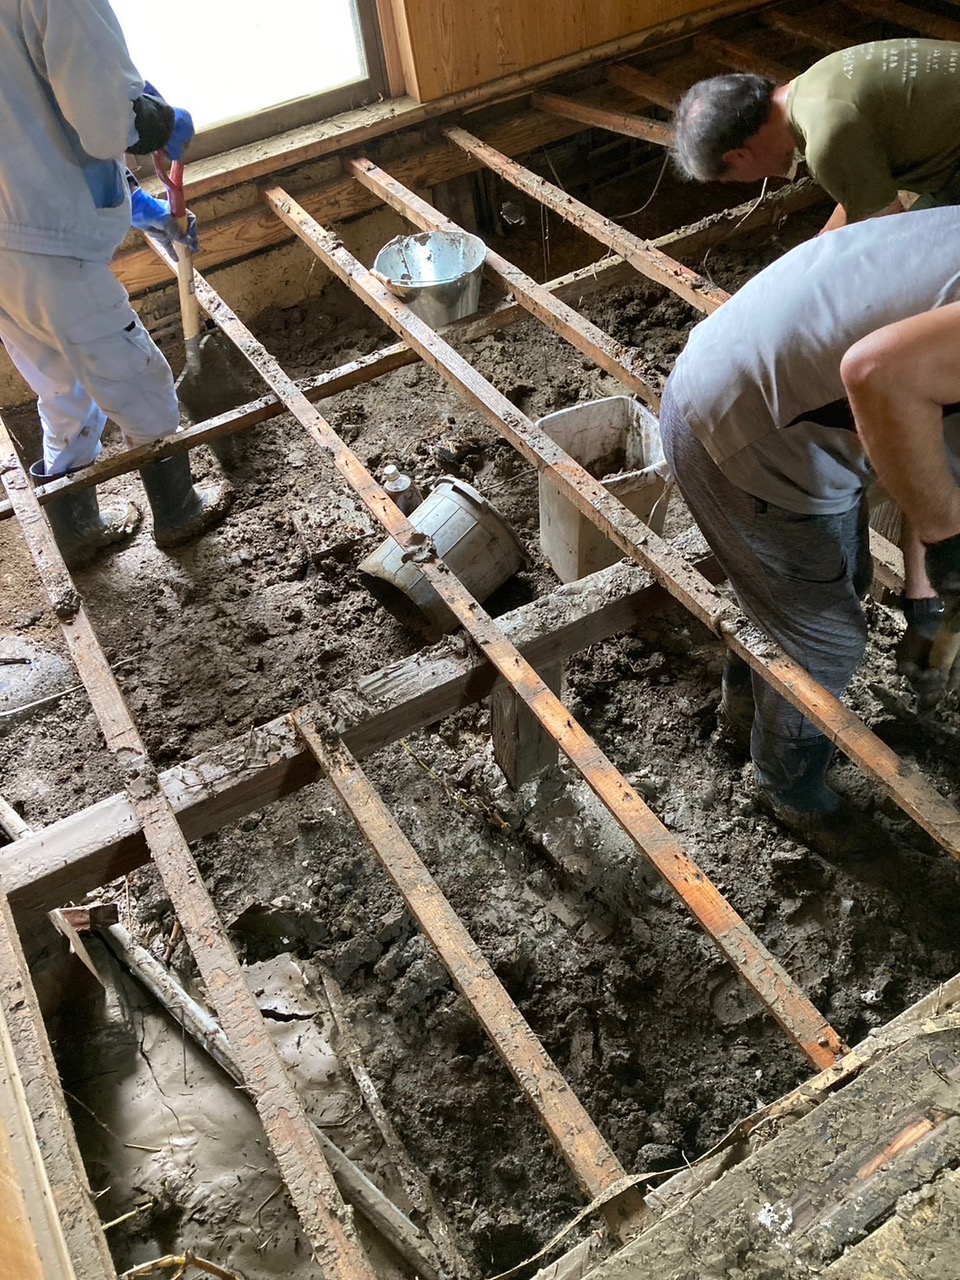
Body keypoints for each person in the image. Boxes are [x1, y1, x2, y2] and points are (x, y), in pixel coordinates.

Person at [658, 206, 960, 856]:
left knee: (829, 588)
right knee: (828, 646)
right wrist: (945, 558)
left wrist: (924, 599)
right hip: (737, 434)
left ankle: (746, 707)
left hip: (755, 389)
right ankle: (785, 787)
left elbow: (937, 467)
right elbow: (878, 375)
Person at [0, 0, 232, 568]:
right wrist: (160, 121)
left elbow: (35, 120)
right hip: (52, 246)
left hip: (9, 241)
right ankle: (179, 513)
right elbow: (104, 122)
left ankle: (77, 529)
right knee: (139, 380)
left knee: (59, 385)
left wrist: (141, 208)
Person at [671, 39, 960, 232]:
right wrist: (823, 242)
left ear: (738, 156)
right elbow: (860, 191)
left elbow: (889, 229)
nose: (747, 181)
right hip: (948, 150)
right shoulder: (812, 84)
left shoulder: (826, 141)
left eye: (733, 178)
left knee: (919, 251)